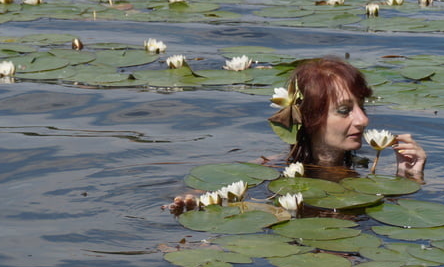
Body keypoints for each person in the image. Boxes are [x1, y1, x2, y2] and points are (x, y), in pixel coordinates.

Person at [169, 57, 426, 213]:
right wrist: (194, 203)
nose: (363, 119)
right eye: (345, 110)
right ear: (310, 118)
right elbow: (196, 193)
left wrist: (409, 178)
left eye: (362, 106)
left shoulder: (366, 168)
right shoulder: (268, 170)